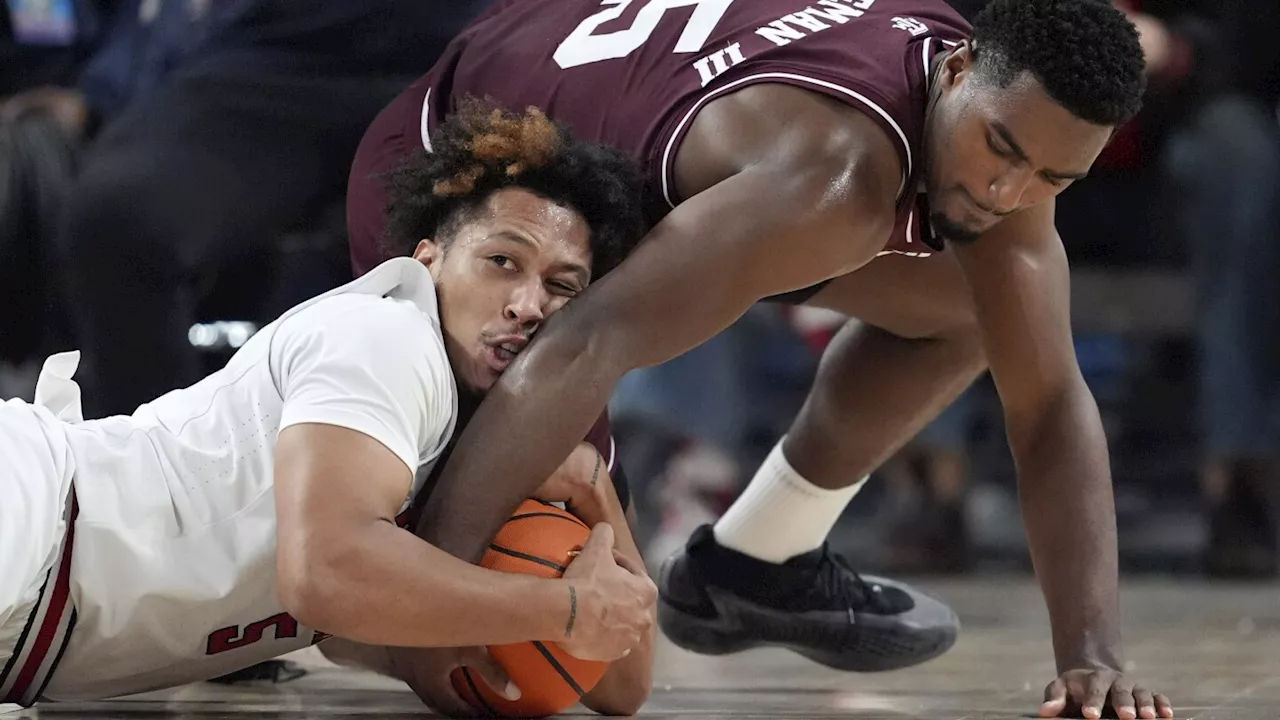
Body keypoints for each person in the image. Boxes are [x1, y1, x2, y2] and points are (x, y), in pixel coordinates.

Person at [347, 1, 1176, 718]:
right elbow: (589, 342)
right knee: (580, 658)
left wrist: (1092, 657)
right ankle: (246, 609)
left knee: (976, 310)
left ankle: (757, 560)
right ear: (957, 71)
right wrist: (431, 602)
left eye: (1053, 177)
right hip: (464, 171)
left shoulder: (1001, 132)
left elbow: (1052, 406)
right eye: (1001, 149)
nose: (1008, 191)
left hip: (602, 138)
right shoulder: (837, 177)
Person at [0, 103, 656, 713]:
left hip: (34, 623)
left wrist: (593, 490)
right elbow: (327, 571)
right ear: (428, 260)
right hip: (31, 518)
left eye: (561, 285)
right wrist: (562, 609)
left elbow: (620, 686)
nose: (527, 303)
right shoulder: (389, 337)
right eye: (501, 261)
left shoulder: (479, 443)